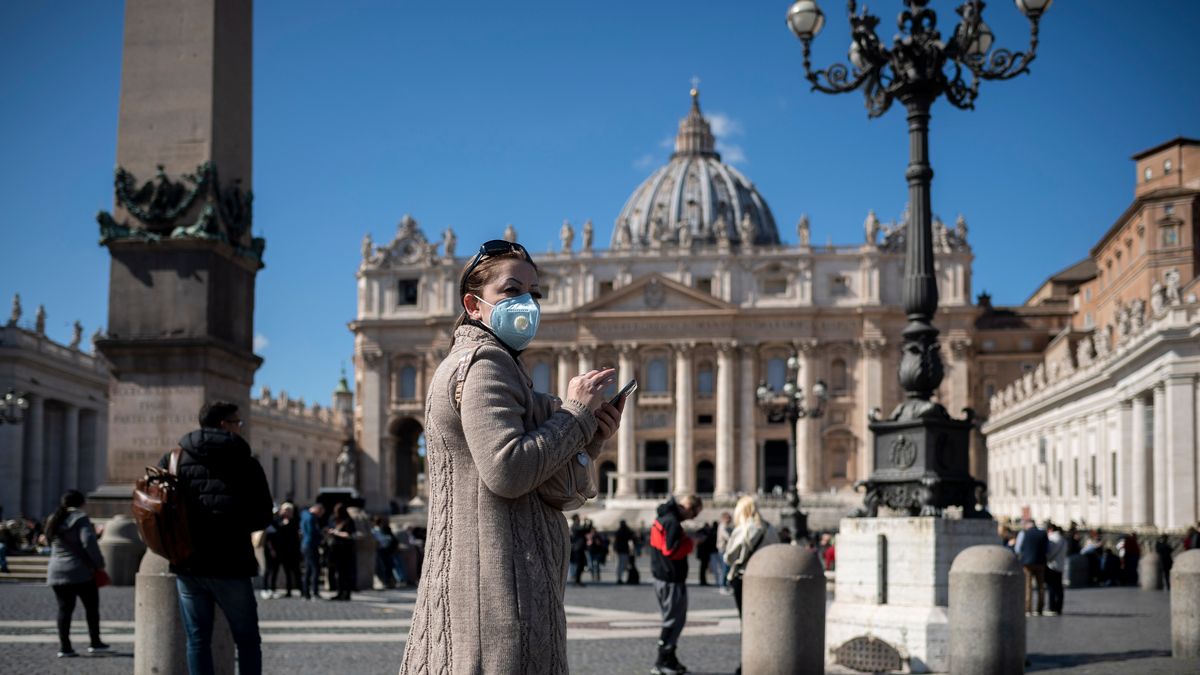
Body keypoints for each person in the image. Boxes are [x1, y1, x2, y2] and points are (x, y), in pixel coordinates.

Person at [399, 239, 624, 674]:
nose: (527, 303)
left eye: (534, 293)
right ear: (474, 304)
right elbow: (508, 471)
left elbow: (548, 486)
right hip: (496, 596)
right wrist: (576, 414)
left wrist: (589, 438)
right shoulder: (483, 362)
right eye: (511, 290)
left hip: (504, 588)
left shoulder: (503, 366)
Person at [158, 401, 273, 675]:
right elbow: (263, 517)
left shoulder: (173, 459)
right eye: (238, 422)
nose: (240, 428)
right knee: (246, 639)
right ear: (225, 424)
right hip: (231, 562)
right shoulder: (246, 462)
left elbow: (160, 508)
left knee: (197, 640)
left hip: (188, 562)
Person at [44, 489, 109, 658]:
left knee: (64, 609)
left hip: (56, 569)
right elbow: (88, 542)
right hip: (80, 571)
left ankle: (65, 647)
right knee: (91, 607)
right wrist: (99, 563)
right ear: (81, 503)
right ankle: (95, 642)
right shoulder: (80, 518)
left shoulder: (54, 519)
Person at [649, 494, 703, 675]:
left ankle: (670, 658)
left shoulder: (663, 518)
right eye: (694, 514)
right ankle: (661, 661)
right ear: (688, 507)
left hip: (663, 576)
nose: (693, 518)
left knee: (675, 620)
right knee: (672, 622)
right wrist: (691, 543)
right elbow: (671, 551)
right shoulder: (671, 522)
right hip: (670, 578)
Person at [723, 496, 779, 621]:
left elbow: (729, 557)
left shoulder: (743, 529)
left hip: (744, 577)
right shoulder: (770, 528)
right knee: (763, 617)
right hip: (767, 576)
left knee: (746, 618)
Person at [1014, 518, 1049, 616]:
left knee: (1028, 587)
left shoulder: (1024, 533)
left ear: (1027, 524)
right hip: (1041, 563)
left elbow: (1018, 549)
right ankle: (1040, 609)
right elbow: (1047, 549)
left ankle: (1028, 609)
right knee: (1041, 587)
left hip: (1027, 563)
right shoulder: (1043, 533)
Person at [326, 503, 356, 600]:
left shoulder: (348, 521)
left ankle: (346, 593)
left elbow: (349, 535)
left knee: (345, 573)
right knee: (339, 573)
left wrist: (336, 533)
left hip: (345, 550)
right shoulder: (335, 520)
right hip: (337, 550)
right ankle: (340, 592)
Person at [272, 503, 301, 598]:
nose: (286, 512)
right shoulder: (278, 520)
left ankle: (292, 589)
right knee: (274, 570)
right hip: (279, 549)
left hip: (290, 550)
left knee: (290, 571)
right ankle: (272, 589)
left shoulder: (294, 521)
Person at [299, 503, 325, 600]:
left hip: (305, 544)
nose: (320, 515)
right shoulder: (311, 518)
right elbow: (312, 533)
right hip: (311, 545)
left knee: (308, 570)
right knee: (315, 569)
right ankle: (314, 592)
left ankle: (306, 593)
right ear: (317, 510)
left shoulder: (304, 515)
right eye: (321, 513)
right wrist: (321, 536)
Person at [1045, 522, 1067, 616]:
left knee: (1052, 587)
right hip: (1060, 565)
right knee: (1059, 588)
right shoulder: (1063, 539)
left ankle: (1052, 607)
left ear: (1050, 530)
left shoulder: (1053, 539)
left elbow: (1050, 553)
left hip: (1052, 566)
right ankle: (1059, 607)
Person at [371, 516, 399, 589]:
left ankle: (389, 582)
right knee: (384, 567)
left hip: (386, 550)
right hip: (381, 550)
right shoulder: (375, 530)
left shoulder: (384, 529)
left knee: (388, 566)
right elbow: (380, 540)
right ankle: (386, 582)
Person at [714, 513, 732, 594]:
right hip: (723, 549)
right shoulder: (723, 526)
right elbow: (727, 537)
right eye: (728, 518)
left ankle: (724, 585)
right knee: (725, 568)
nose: (730, 520)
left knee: (726, 568)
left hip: (723, 549)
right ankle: (723, 586)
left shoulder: (724, 526)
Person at [613, 520, 635, 584]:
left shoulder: (619, 531)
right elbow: (632, 537)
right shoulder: (625, 531)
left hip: (620, 550)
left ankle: (619, 578)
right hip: (624, 550)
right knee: (623, 565)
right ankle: (620, 578)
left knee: (619, 565)